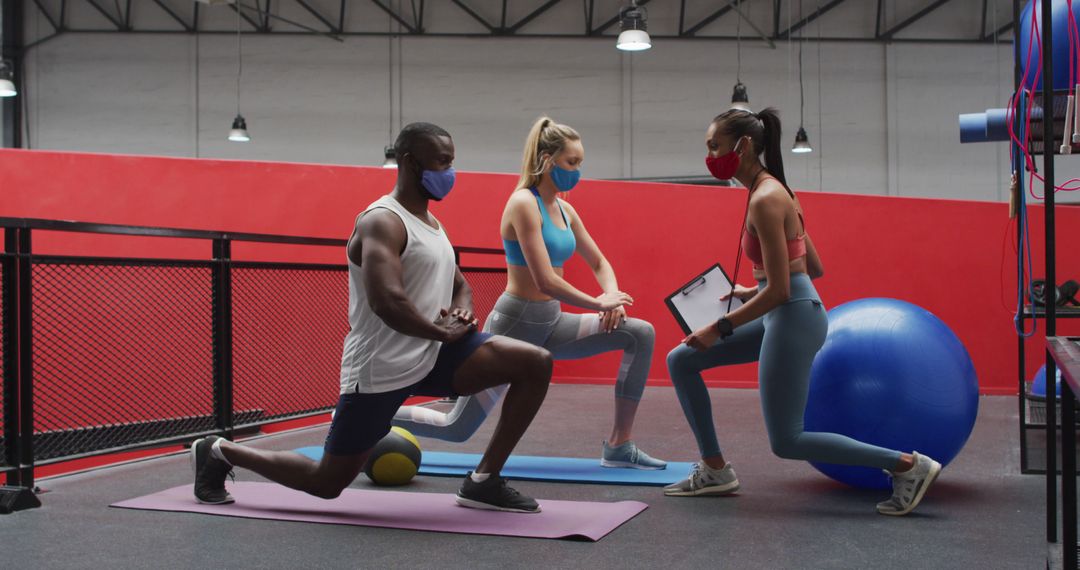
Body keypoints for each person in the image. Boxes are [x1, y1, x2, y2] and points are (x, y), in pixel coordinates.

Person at [190, 122, 553, 514]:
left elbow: (458, 283)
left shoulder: (432, 225)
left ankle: (483, 481)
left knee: (534, 363)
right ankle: (219, 451)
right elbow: (387, 302)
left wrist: (463, 311)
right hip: (382, 365)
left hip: (434, 352)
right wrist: (440, 331)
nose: (451, 172)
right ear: (412, 163)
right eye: (443, 161)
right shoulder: (381, 220)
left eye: (452, 161)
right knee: (327, 482)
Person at [663, 108, 941, 516]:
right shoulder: (778, 191)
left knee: (787, 441)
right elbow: (813, 267)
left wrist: (719, 328)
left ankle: (908, 465)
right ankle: (715, 468)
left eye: (714, 146)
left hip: (792, 316)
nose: (709, 154)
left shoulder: (765, 198)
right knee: (682, 360)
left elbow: (779, 290)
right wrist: (750, 288)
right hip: (787, 310)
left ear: (741, 146)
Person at [392, 117, 665, 470]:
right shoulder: (523, 203)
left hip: (550, 322)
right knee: (456, 428)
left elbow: (599, 261)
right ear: (547, 160)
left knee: (639, 334)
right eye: (572, 162)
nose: (577, 171)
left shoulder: (565, 209)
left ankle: (619, 445)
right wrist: (599, 302)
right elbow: (544, 280)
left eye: (580, 163)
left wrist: (612, 296)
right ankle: (368, 413)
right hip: (516, 324)